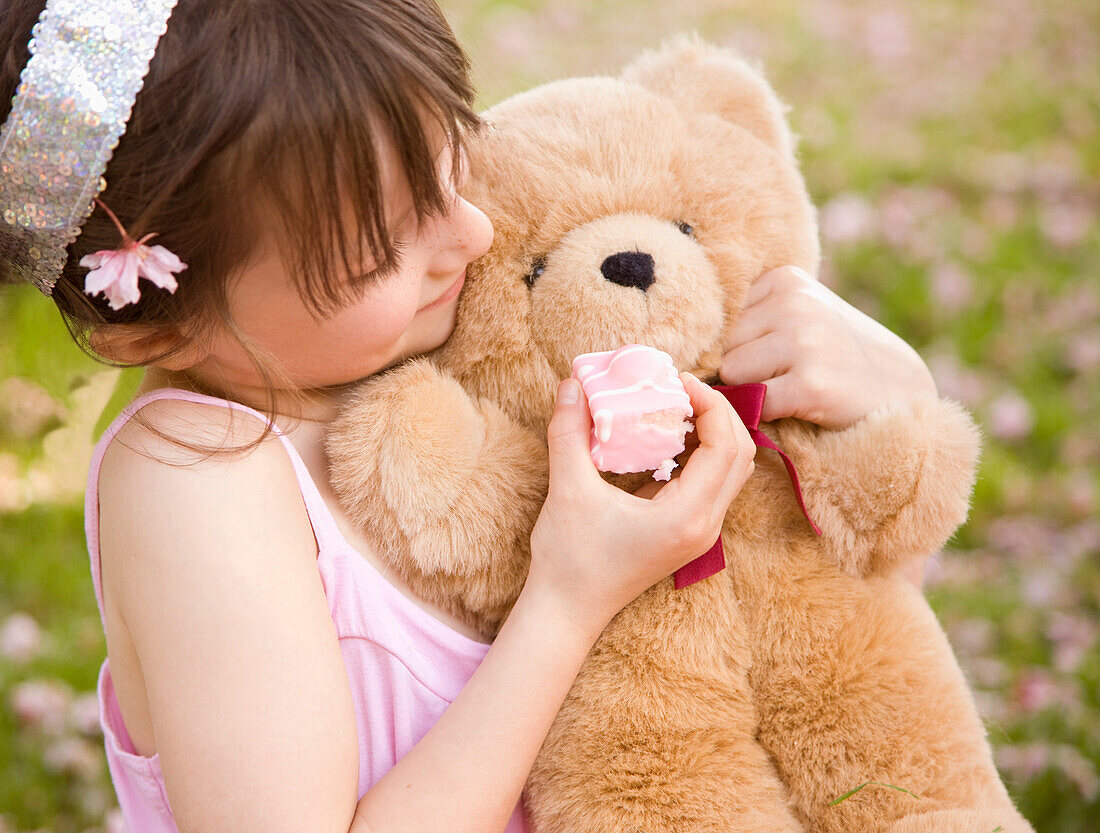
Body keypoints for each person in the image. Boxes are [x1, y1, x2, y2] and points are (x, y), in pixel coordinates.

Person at [0, 1, 938, 832]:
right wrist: (569, 597)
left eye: (453, 164)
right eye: (378, 247)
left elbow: (800, 615)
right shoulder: (195, 473)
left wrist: (889, 393)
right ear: (153, 325)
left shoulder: (426, 332)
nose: (472, 235)